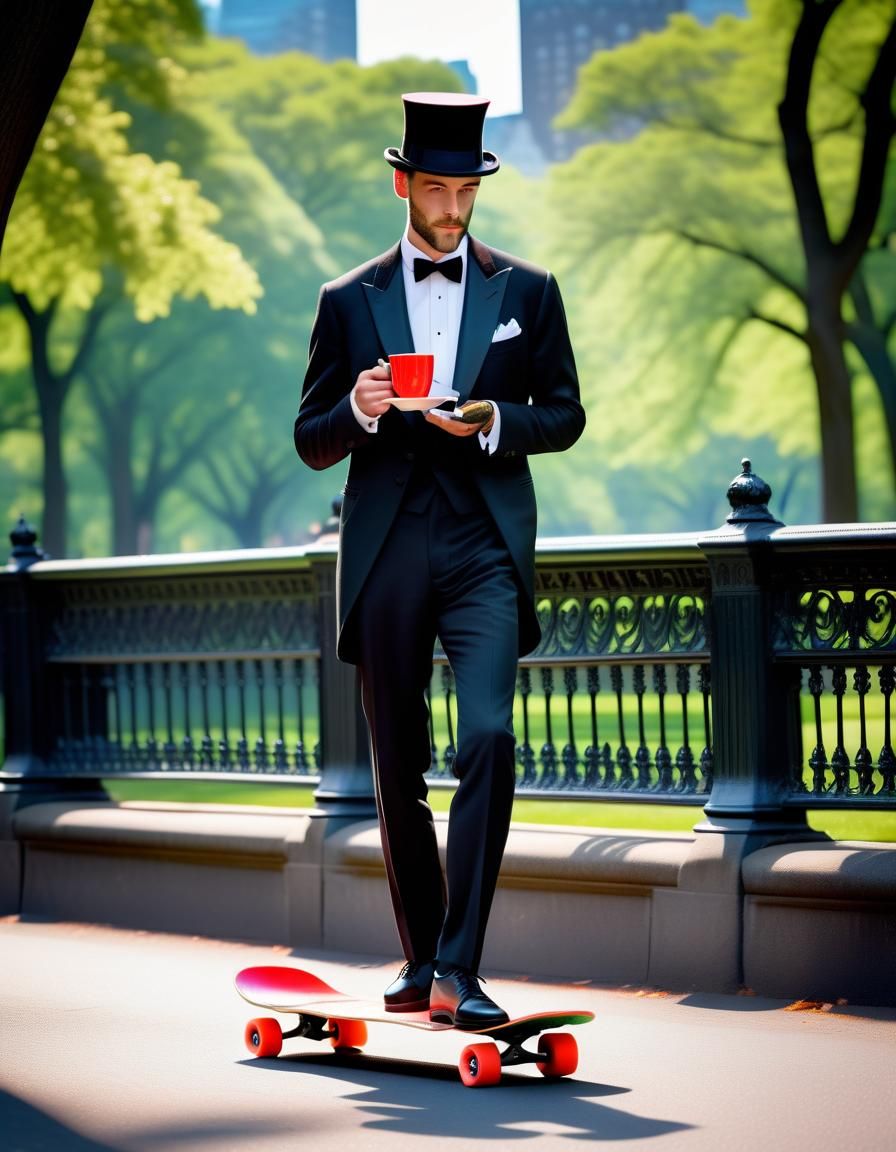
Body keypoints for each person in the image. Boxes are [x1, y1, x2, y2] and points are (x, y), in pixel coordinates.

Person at [294, 92, 585, 1029]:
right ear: (403, 185)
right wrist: (364, 407)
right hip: (384, 548)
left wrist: (499, 420)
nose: (453, 209)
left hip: (482, 545)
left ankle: (462, 963)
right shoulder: (347, 302)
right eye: (436, 189)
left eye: (466, 191)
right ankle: (422, 955)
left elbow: (567, 413)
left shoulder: (528, 292)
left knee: (490, 736)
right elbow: (310, 439)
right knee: (397, 765)